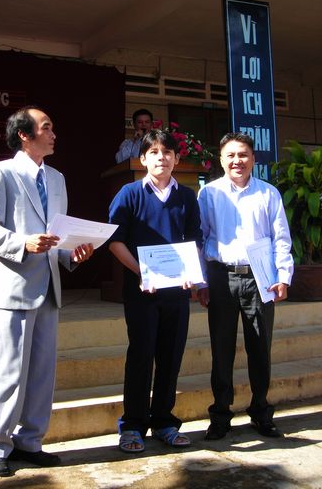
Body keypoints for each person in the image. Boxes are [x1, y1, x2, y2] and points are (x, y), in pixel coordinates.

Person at [0, 106, 94, 478]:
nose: (53, 133)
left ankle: (30, 442)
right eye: (46, 127)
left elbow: (58, 235)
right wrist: (22, 243)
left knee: (42, 374)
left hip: (49, 289)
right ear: (25, 135)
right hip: (13, 286)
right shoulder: (0, 173)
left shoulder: (56, 178)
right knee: (8, 373)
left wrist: (73, 254)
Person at [108, 129, 203, 453]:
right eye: (154, 152)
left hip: (177, 292)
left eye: (167, 152)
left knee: (170, 357)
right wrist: (142, 271)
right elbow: (115, 241)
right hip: (142, 292)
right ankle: (132, 426)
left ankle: (164, 421)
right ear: (143, 158)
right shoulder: (129, 193)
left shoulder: (187, 196)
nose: (161, 157)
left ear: (176, 158)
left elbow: (194, 240)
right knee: (141, 356)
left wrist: (192, 274)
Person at [197, 132, 294, 440]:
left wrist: (283, 276)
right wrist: (201, 281)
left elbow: (281, 238)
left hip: (260, 279)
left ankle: (261, 412)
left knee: (260, 348)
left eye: (243, 155)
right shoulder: (208, 194)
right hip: (221, 278)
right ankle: (220, 415)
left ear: (253, 158)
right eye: (231, 155)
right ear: (221, 159)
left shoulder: (268, 193)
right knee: (221, 349)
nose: (237, 160)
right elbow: (200, 239)